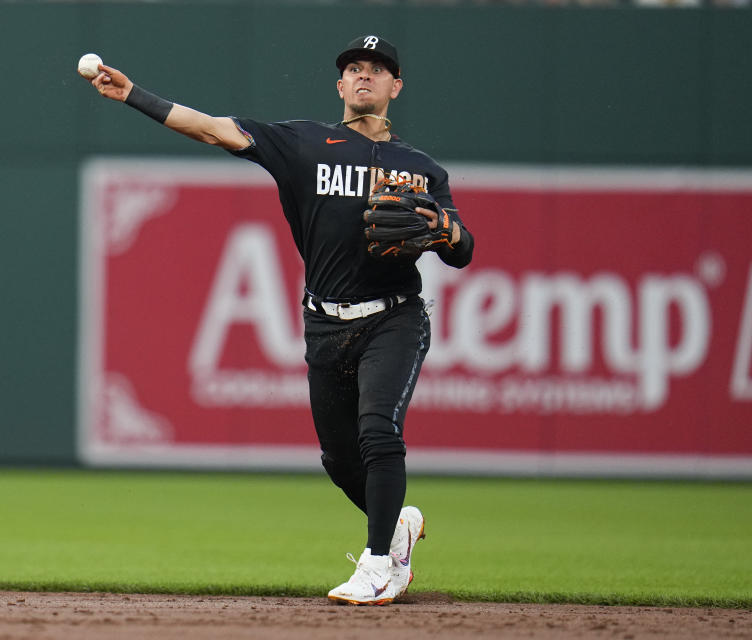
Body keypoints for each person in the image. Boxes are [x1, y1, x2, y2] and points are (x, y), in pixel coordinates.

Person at [86, 35, 474, 605]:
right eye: (354, 68)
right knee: (340, 461)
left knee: (377, 432)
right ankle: (398, 530)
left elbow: (462, 248)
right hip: (324, 324)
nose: (365, 76)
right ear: (340, 85)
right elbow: (211, 128)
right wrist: (133, 95)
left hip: (395, 317)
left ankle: (376, 566)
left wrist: (447, 231)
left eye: (378, 69)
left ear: (396, 87)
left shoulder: (421, 170)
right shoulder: (302, 144)